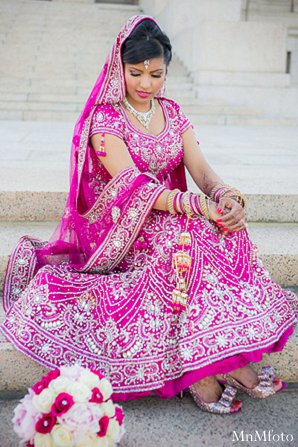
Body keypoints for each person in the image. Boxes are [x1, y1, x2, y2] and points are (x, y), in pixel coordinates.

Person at [1, 15, 297, 415]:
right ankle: (205, 371)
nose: (145, 83)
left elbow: (202, 172)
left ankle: (223, 357)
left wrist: (227, 199)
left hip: (175, 212)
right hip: (126, 226)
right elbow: (132, 185)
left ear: (166, 71)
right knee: (186, 245)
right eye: (135, 72)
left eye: (156, 74)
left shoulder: (172, 113)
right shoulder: (105, 120)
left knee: (224, 233)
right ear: (118, 69)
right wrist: (196, 206)